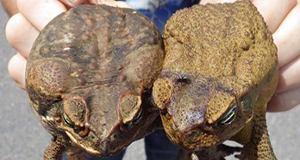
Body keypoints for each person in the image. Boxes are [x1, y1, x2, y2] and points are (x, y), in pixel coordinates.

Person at [2, 0, 300, 160]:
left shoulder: (167, 101)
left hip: (152, 104)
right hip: (142, 103)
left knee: (178, 144)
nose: (106, 140)